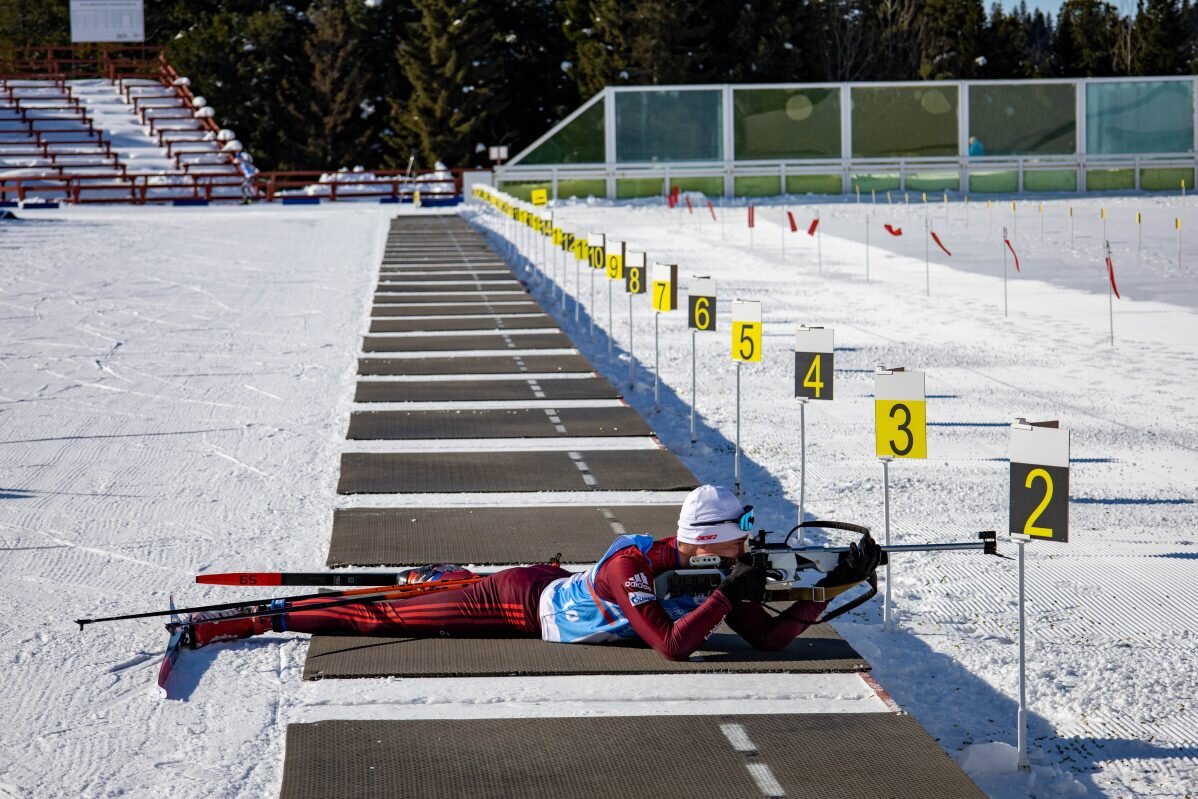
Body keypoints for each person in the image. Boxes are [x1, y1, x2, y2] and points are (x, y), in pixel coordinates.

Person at [187, 485, 881, 660]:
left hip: (537, 586)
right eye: (738, 545)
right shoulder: (629, 568)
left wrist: (833, 583)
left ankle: (443, 574)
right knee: (389, 614)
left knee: (426, 593)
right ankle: (254, 616)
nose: (748, 551)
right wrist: (729, 595)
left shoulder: (707, 569)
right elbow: (673, 645)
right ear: (708, 545)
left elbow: (766, 639)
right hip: (518, 602)